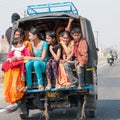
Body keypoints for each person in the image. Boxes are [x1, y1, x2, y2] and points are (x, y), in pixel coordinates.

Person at [2, 38, 31, 104]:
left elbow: (28, 55)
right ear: (15, 45)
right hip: (13, 64)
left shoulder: (24, 49)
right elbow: (9, 57)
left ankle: (22, 74)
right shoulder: (13, 50)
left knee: (21, 63)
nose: (21, 44)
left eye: (21, 42)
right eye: (19, 43)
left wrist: (21, 57)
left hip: (21, 62)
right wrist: (12, 58)